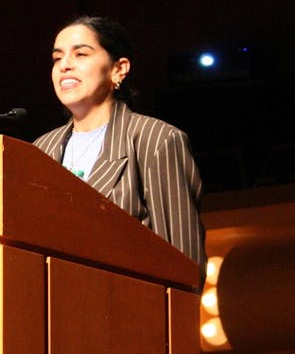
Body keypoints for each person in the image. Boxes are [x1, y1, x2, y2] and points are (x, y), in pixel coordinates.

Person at [33, 15, 206, 272]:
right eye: (57, 58)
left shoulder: (154, 140)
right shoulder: (39, 151)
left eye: (81, 54)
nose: (64, 66)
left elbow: (183, 260)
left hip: (127, 304)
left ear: (119, 69)